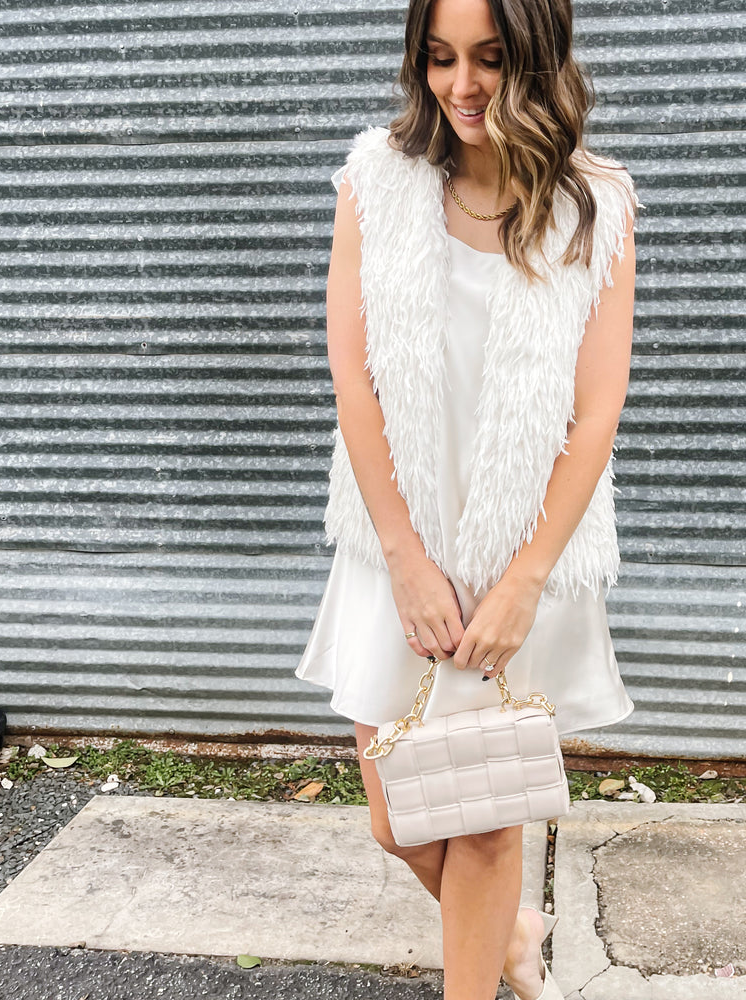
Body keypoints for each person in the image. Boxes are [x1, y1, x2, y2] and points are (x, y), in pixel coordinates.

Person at [293, 0, 638, 995]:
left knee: (486, 817)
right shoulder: (377, 184)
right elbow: (353, 378)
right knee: (398, 815)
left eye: (489, 59)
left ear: (537, 57)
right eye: (439, 58)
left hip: (522, 559)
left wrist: (526, 579)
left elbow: (596, 410)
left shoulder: (595, 206)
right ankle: (513, 936)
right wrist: (402, 554)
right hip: (394, 549)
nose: (461, 86)